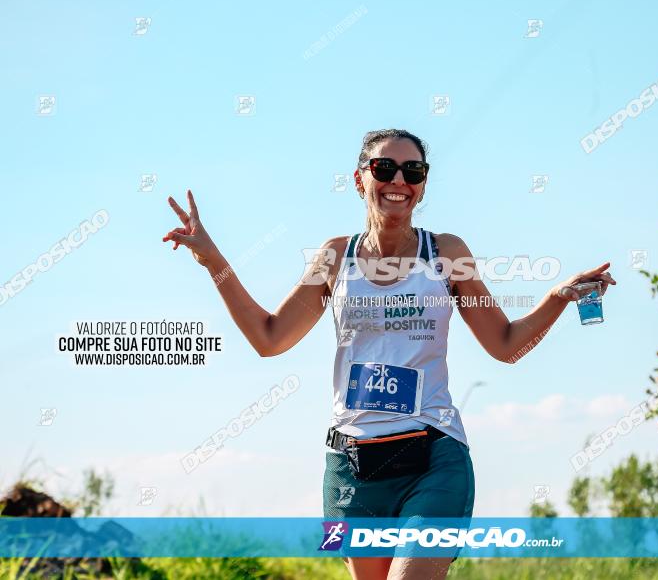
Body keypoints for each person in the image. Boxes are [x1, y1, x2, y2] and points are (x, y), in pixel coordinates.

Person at [162, 128, 616, 580]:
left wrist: (557, 297)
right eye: (385, 168)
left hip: (433, 457)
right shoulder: (336, 257)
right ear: (360, 180)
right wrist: (212, 261)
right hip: (351, 468)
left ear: (422, 184)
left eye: (413, 170)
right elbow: (269, 338)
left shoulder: (446, 253)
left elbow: (506, 345)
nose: (399, 180)